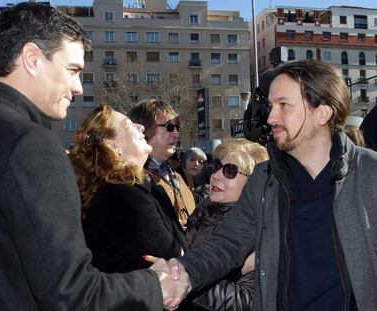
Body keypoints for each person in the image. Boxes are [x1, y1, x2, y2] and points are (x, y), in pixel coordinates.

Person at [0, 3, 190, 310]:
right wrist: (155, 285)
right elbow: (70, 294)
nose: (79, 88)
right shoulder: (31, 146)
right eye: (72, 70)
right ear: (32, 58)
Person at [157, 60, 377, 311]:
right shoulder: (265, 178)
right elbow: (227, 243)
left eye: (284, 105)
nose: (271, 117)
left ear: (322, 112)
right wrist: (184, 272)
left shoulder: (370, 173)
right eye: (272, 106)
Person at [70, 104, 188, 273]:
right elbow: (173, 257)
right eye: (129, 125)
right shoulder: (124, 197)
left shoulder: (123, 190)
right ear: (113, 148)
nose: (140, 127)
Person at [185, 139, 268, 311]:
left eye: (230, 171)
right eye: (216, 166)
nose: (215, 175)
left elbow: (247, 302)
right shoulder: (203, 210)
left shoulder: (259, 230)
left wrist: (187, 281)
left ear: (253, 184)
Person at [128, 99, 196, 225]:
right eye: (169, 127)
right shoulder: (131, 180)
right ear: (143, 129)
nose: (176, 133)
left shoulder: (178, 175)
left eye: (177, 127)